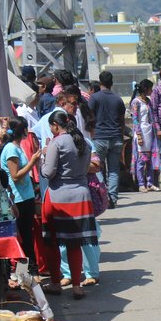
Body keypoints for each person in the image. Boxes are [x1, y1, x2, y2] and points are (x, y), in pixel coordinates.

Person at [40, 111, 98, 300]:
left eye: (51, 126)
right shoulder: (83, 142)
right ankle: (76, 286)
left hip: (58, 196)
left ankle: (56, 282)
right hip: (81, 195)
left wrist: (44, 157)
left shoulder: (57, 143)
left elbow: (48, 173)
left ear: (56, 126)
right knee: (75, 243)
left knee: (52, 242)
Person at [0, 116, 41, 277]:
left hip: (25, 196)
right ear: (23, 130)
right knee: (24, 237)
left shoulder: (17, 147)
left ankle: (25, 272)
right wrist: (32, 161)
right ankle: (29, 272)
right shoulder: (11, 149)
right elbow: (15, 175)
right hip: (18, 199)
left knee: (26, 235)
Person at [88, 71, 126, 208]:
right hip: (115, 137)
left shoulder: (94, 98)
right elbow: (122, 121)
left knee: (98, 169)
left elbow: (89, 117)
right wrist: (121, 136)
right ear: (112, 82)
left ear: (100, 82)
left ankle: (102, 197)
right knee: (114, 170)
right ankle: (113, 199)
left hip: (99, 137)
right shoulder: (118, 99)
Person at [130, 79, 161, 192]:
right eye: (150, 88)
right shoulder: (136, 102)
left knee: (150, 160)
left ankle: (150, 183)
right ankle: (141, 184)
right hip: (141, 132)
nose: (151, 91)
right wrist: (138, 135)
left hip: (149, 133)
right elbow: (135, 119)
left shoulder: (148, 101)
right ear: (145, 89)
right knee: (141, 160)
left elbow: (153, 117)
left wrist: (157, 129)